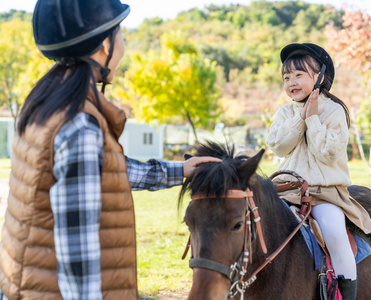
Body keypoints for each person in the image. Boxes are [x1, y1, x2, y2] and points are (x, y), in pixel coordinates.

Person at [0, 1, 220, 299]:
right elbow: (79, 261)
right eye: (121, 36)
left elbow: (99, 169)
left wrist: (179, 170)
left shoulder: (45, 102)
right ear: (105, 45)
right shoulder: (80, 126)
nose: (123, 47)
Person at [265, 43, 371, 300]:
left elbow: (327, 152)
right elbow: (279, 146)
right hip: (287, 191)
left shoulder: (334, 111)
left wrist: (313, 118)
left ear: (320, 77)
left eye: (299, 74)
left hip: (325, 193)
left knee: (335, 235)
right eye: (286, 77)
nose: (291, 81)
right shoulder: (285, 112)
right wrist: (300, 117)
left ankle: (346, 295)